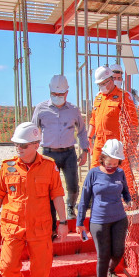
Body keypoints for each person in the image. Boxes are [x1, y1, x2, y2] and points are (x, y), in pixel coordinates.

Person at [0, 122, 66, 277]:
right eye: (16, 145)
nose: (18, 148)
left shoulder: (49, 167)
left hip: (40, 228)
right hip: (12, 226)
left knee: (41, 269)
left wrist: (63, 222)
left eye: (23, 145)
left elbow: (57, 195)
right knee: (7, 265)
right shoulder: (7, 167)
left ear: (36, 144)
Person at [75, 139, 131, 277]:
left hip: (119, 218)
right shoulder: (93, 174)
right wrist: (80, 222)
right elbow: (84, 200)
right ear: (103, 158)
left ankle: (111, 270)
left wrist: (128, 200)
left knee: (119, 251)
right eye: (110, 162)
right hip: (99, 221)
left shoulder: (120, 173)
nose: (112, 166)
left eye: (116, 163)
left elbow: (125, 191)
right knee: (103, 256)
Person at [31, 74, 89, 233]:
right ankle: (51, 219)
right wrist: (32, 154)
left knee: (73, 186)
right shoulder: (41, 109)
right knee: (49, 189)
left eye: (60, 94)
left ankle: (70, 208)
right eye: (54, 94)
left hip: (69, 153)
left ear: (67, 93)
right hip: (49, 154)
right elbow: (33, 131)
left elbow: (82, 131)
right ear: (50, 91)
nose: (57, 97)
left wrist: (84, 151)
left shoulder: (73, 110)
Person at [88, 66, 139, 204]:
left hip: (116, 143)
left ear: (111, 80)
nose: (102, 87)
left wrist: (132, 142)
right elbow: (93, 119)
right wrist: (88, 137)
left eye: (104, 83)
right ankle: (95, 198)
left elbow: (133, 122)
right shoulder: (98, 98)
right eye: (99, 84)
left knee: (123, 170)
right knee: (94, 170)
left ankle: (131, 197)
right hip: (99, 142)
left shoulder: (123, 96)